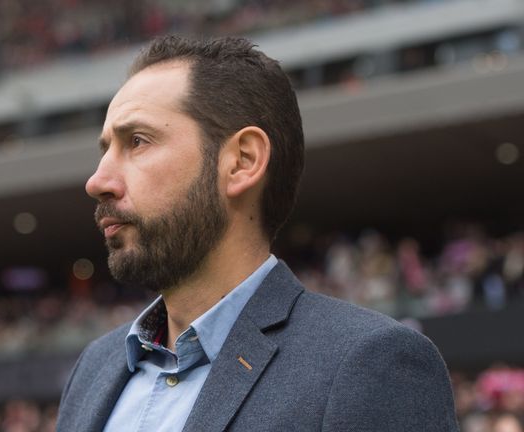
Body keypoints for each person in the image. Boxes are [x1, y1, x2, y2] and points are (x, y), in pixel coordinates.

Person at [56, 35, 459, 431]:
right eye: (105, 149)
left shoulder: (368, 363)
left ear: (242, 161)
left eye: (137, 141)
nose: (98, 180)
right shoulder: (94, 368)